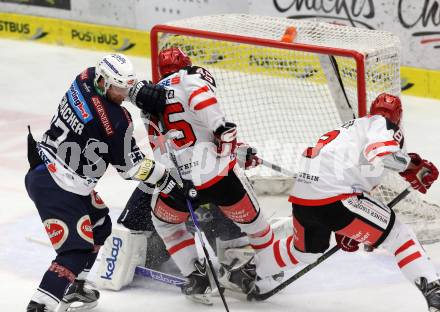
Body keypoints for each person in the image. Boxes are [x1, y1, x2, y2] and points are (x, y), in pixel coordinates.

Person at [226, 93, 440, 311]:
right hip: (335, 197)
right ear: (398, 118)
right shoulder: (383, 125)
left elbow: (356, 171)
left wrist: (345, 227)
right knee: (398, 235)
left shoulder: (350, 129)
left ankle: (248, 270)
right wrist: (413, 166)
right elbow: (380, 154)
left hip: (304, 196)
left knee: (304, 253)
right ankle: (435, 294)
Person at [25, 53, 187, 312]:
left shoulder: (85, 77)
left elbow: (107, 92)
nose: (124, 93)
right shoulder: (117, 122)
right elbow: (130, 167)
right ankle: (41, 305)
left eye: (126, 87)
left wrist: (135, 88)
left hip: (54, 169)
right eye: (120, 88)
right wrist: (164, 177)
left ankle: (75, 286)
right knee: (75, 250)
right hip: (56, 184)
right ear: (104, 82)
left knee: (100, 224)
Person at [145, 47, 273, 304]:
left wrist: (236, 149)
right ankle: (264, 273)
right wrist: (226, 136)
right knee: (257, 227)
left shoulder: (149, 98)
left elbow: (177, 144)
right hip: (216, 177)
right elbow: (205, 108)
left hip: (176, 182)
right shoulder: (188, 78)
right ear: (185, 63)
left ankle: (196, 275)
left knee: (165, 223)